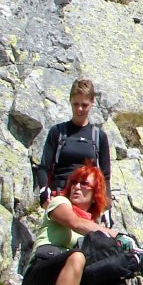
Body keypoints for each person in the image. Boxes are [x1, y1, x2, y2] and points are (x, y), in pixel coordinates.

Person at [36, 79, 111, 207]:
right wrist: (43, 189)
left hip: (86, 202)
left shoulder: (99, 137)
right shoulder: (57, 132)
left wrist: (106, 206)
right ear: (70, 101)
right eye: (75, 104)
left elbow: (105, 177)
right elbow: (43, 167)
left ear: (92, 103)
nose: (79, 109)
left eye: (84, 105)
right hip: (59, 197)